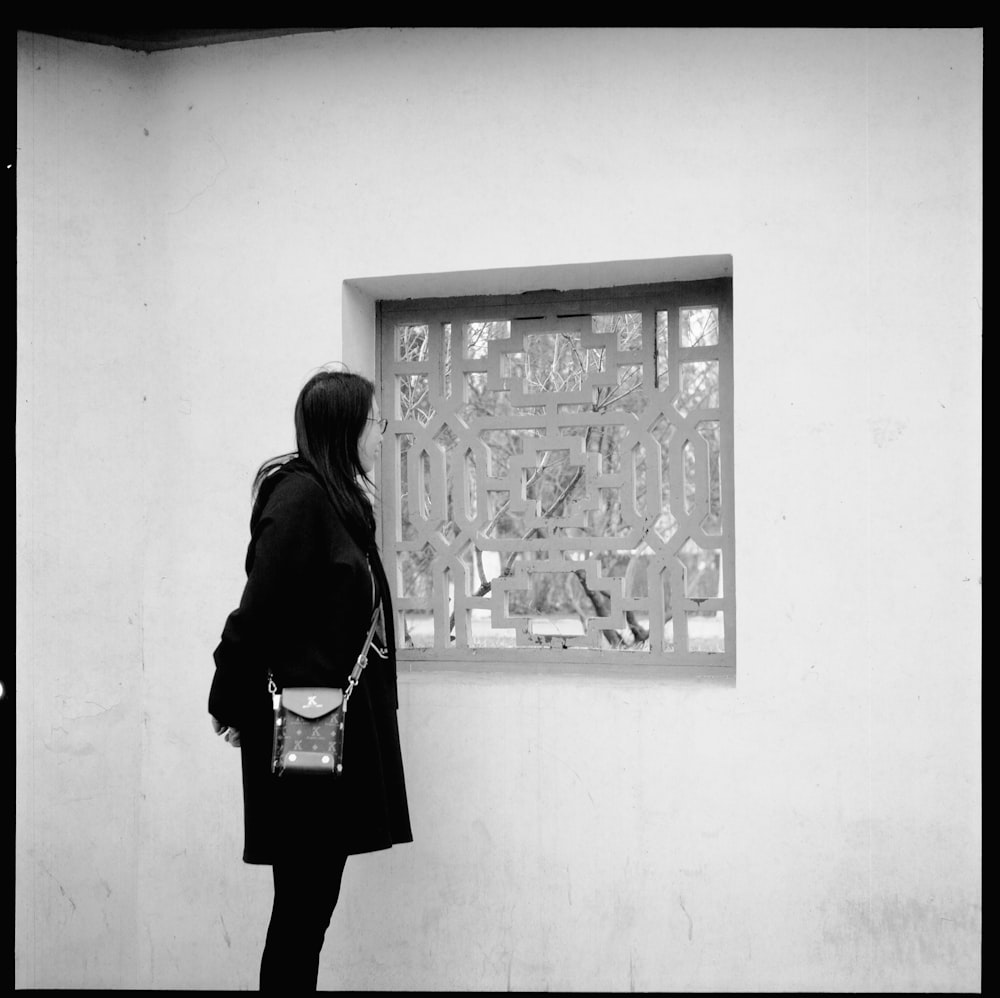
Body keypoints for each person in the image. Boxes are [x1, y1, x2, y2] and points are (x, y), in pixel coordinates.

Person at [208, 368, 412, 992]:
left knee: (309, 907)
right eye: (376, 422)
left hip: (327, 728)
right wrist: (233, 701)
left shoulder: (335, 499)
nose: (382, 435)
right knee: (302, 908)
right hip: (307, 727)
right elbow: (259, 609)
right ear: (345, 427)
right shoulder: (300, 498)